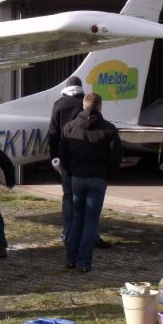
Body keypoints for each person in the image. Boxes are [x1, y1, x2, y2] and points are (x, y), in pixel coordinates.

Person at [59, 92, 122, 273]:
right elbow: (115, 156)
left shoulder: (69, 127)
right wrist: (108, 175)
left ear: (83, 105)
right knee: (90, 222)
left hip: (77, 178)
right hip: (97, 179)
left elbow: (63, 154)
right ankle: (84, 263)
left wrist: (69, 173)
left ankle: (70, 258)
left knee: (76, 219)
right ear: (100, 107)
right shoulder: (109, 129)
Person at [48, 76, 112, 249]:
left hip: (67, 162)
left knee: (69, 200)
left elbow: (53, 134)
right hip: (90, 162)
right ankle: (92, 237)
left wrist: (55, 160)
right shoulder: (86, 105)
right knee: (90, 205)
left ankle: (67, 235)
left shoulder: (59, 105)